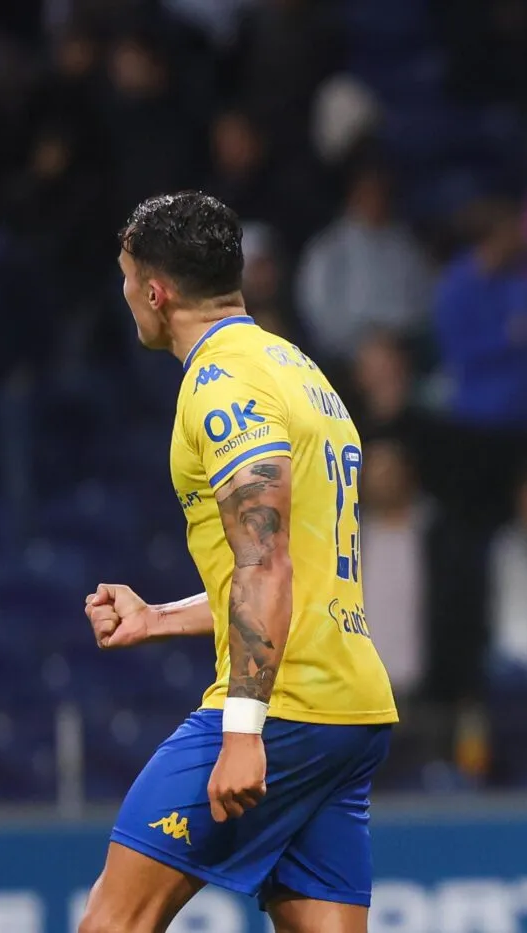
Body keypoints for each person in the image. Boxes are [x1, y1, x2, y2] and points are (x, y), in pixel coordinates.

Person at [78, 192, 397, 933]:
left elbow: (266, 564)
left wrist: (243, 730)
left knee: (112, 922)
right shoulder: (295, 367)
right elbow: (296, 567)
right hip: (349, 708)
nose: (127, 295)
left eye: (128, 279)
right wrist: (156, 616)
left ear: (154, 291)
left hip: (283, 705)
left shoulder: (223, 383)